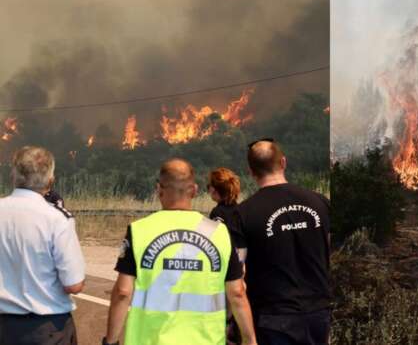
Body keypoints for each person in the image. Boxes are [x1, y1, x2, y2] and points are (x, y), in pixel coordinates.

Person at [103, 158, 257, 345]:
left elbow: (123, 292)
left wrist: (110, 341)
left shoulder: (139, 230)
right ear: (194, 190)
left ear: (159, 190)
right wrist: (250, 340)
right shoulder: (218, 233)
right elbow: (237, 292)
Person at [227, 139, 331, 345]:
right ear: (283, 162)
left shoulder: (243, 214)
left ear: (251, 171)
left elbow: (239, 277)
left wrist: (245, 335)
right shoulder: (319, 202)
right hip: (318, 314)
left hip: (272, 319)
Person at [0, 146, 85, 345]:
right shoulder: (57, 219)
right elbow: (74, 284)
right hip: (47, 330)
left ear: (14, 175)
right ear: (50, 180)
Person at [207, 167, 243, 345]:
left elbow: (211, 244)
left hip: (227, 271)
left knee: (224, 320)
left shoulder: (217, 214)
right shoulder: (242, 210)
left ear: (214, 190)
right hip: (244, 268)